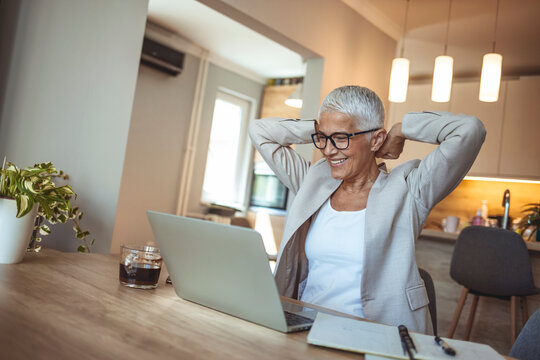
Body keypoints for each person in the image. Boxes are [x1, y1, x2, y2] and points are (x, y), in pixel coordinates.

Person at [248, 85, 486, 334]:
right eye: (324, 138)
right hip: (307, 329)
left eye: (341, 138)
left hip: (378, 335)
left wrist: (401, 129)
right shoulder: (313, 181)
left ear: (376, 139)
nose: (328, 150)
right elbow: (259, 131)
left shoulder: (410, 190)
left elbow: (470, 130)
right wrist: (314, 128)